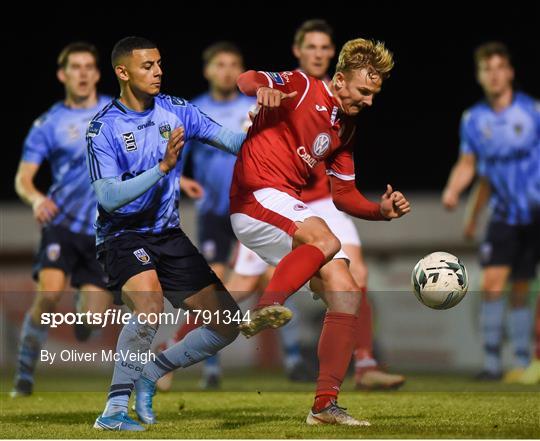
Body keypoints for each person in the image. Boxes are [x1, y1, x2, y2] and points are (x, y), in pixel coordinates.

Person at [230, 38, 411, 425]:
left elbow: (344, 196)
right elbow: (245, 78)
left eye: (375, 94)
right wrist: (262, 89)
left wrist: (380, 211)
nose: (370, 101)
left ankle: (324, 406)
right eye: (364, 91)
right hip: (254, 195)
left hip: (284, 205)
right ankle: (265, 307)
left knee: (346, 292)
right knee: (326, 239)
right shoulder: (301, 85)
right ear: (341, 80)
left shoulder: (345, 129)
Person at [87, 36, 245, 431]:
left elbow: (229, 140)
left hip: (167, 235)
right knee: (150, 304)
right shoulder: (103, 128)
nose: (158, 72)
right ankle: (113, 412)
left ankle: (151, 373)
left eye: (159, 64)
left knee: (227, 322)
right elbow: (108, 198)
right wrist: (160, 169)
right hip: (121, 234)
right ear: (122, 72)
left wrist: (282, 142)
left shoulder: (176, 111)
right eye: (147, 66)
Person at [11, 42, 113, 398]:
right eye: (76, 67)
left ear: (98, 74)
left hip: (102, 231)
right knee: (51, 294)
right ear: (62, 74)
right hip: (63, 224)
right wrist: (37, 198)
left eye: (89, 66)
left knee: (96, 320)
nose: (83, 73)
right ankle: (24, 374)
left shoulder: (115, 114)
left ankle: (86, 321)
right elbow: (23, 178)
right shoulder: (48, 124)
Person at [442, 41, 540, 381]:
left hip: (536, 213)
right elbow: (469, 165)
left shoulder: (533, 112)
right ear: (479, 76)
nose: (494, 75)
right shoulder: (473, 119)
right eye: (487, 69)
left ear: (510, 72)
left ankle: (525, 361)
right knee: (492, 284)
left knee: (522, 288)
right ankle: (491, 363)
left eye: (500, 68)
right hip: (503, 215)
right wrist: (455, 190)